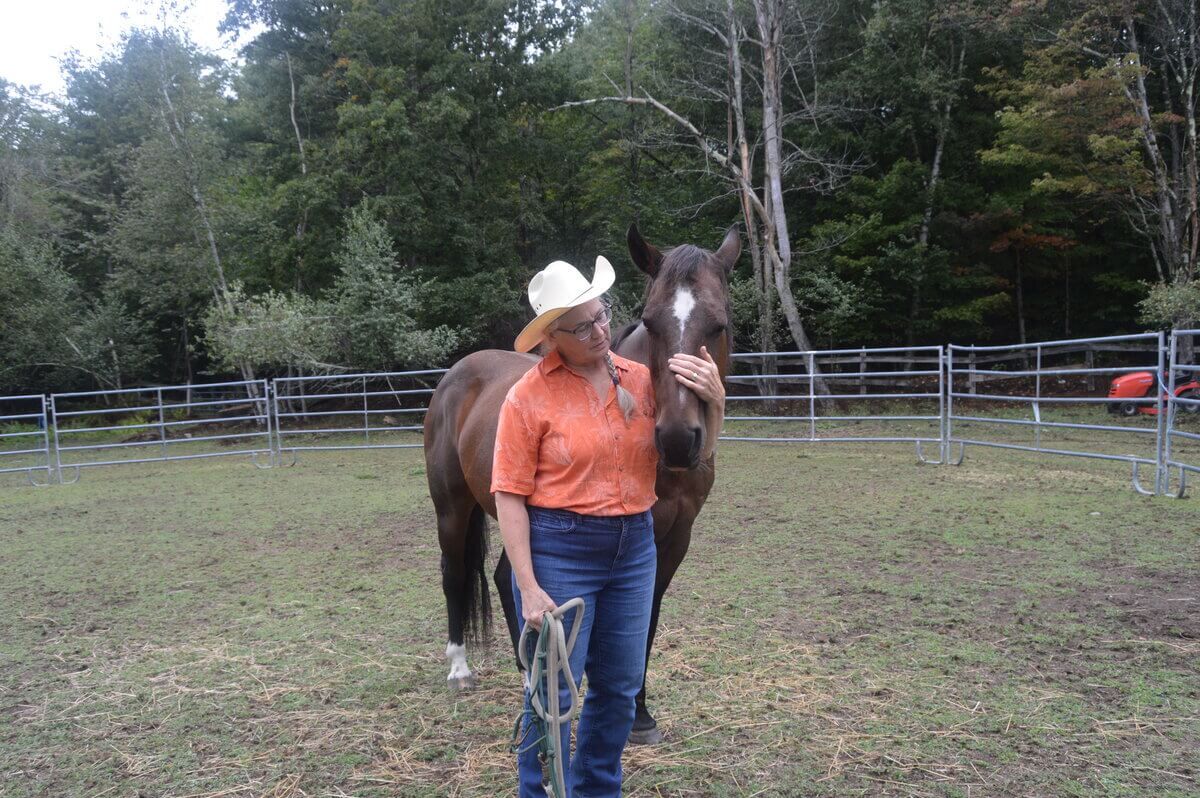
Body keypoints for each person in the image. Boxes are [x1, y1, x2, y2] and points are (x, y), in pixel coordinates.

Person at [491, 255, 724, 797]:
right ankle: (544, 792)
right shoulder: (527, 398)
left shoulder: (641, 380)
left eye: (603, 316)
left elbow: (696, 453)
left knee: (619, 689)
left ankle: (597, 789)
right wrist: (526, 585)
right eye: (582, 326)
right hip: (561, 548)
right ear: (552, 337)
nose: (601, 331)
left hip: (635, 549)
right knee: (552, 692)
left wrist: (717, 401)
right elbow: (508, 495)